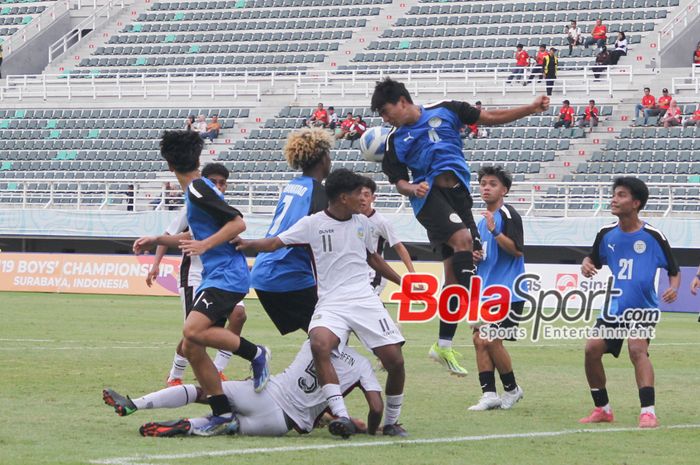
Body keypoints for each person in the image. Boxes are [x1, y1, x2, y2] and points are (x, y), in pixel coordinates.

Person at [370, 77, 549, 377]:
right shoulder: (393, 141)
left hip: (459, 198)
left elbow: (490, 118)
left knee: (456, 275)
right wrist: (411, 188)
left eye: (386, 112)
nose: (385, 119)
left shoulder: (447, 110)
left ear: (402, 101)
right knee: (465, 240)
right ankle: (476, 313)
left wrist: (530, 108)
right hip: (429, 201)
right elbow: (398, 180)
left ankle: (443, 343)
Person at [235, 169, 408, 439]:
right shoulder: (312, 224)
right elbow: (273, 243)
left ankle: (393, 422)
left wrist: (402, 282)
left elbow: (372, 257)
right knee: (319, 344)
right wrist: (243, 243)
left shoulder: (362, 223)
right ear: (342, 197)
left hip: (364, 299)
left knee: (394, 360)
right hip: (331, 302)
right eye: (357, 195)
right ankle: (340, 415)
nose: (362, 200)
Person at [159, 130, 270, 436]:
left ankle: (256, 353)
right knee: (193, 348)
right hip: (218, 274)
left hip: (226, 274)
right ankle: (222, 415)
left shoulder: (197, 189)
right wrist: (158, 239)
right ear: (197, 158)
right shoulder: (198, 189)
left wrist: (205, 246)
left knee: (191, 330)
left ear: (169, 165)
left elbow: (238, 222)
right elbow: (203, 231)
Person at [103, 340, 384, 437]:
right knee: (230, 425)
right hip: (280, 422)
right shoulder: (362, 366)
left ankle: (135, 404)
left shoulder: (314, 336)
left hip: (264, 391)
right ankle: (187, 426)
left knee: (206, 392)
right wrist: (365, 427)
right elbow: (375, 408)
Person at [580, 177, 680, 429]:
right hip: (613, 308)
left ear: (635, 203)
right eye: (614, 194)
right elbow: (593, 260)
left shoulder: (653, 236)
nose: (614, 199)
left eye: (621, 195)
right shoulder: (605, 234)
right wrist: (586, 264)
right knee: (591, 350)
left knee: (637, 350)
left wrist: (674, 288)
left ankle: (648, 412)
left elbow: (674, 270)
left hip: (642, 309)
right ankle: (602, 409)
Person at [133, 163, 245, 387]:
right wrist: (155, 263)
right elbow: (172, 235)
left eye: (222, 182)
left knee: (239, 315)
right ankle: (175, 374)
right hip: (194, 274)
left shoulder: (221, 207)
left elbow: (234, 229)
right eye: (214, 182)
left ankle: (218, 369)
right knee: (194, 333)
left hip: (222, 275)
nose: (219, 186)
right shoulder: (192, 203)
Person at [249, 128, 331, 336]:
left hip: (264, 270)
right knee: (330, 334)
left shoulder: (293, 186)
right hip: (287, 272)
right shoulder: (318, 193)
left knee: (323, 334)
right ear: (322, 159)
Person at [469, 166, 525, 411]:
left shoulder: (507, 215)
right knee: (479, 341)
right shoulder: (482, 222)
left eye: (492, 183)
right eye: (483, 183)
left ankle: (512, 390)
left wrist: (495, 231)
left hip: (508, 291)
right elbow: (485, 255)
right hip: (485, 292)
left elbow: (516, 250)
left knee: (490, 339)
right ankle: (490, 394)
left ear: (504, 190)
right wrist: (475, 256)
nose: (486, 187)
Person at [359, 178, 417, 296]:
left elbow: (399, 247)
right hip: (357, 275)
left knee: (363, 303)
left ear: (373, 198)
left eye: (366, 195)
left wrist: (412, 274)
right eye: (359, 195)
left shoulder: (381, 222)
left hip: (374, 276)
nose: (362, 199)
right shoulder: (352, 218)